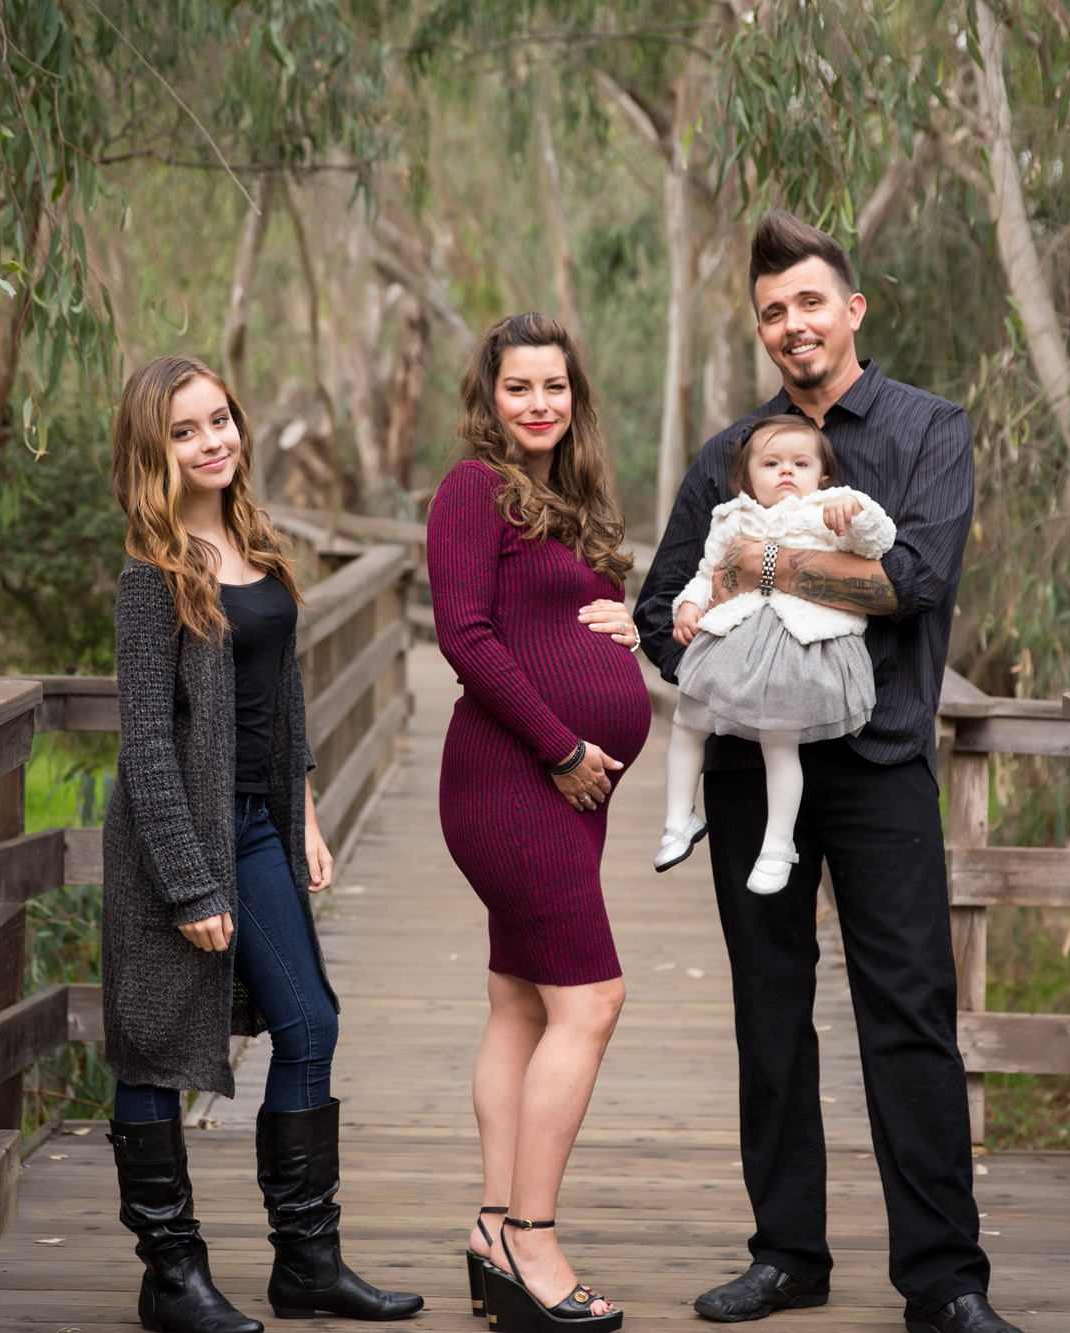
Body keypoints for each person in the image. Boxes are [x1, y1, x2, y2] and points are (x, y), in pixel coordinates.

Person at [634, 214, 1024, 1333]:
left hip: (880, 761)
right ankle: (786, 1255)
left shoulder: (925, 429)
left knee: (908, 1010)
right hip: (754, 775)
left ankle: (944, 1279)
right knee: (768, 1010)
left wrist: (766, 561)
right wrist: (718, 662)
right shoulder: (728, 453)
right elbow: (664, 605)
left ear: (850, 309)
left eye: (808, 302)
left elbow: (913, 580)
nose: (790, 324)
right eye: (770, 311)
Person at [102, 354, 423, 1333]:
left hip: (256, 826)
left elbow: (281, 695)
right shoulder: (151, 578)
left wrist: (307, 813)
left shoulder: (256, 546)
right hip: (176, 843)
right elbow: (148, 744)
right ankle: (171, 1275)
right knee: (154, 1046)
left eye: (220, 419)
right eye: (187, 431)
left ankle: (307, 1263)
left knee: (309, 1023)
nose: (213, 440)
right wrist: (190, 885)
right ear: (155, 454)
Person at [426, 313, 651, 1333]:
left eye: (553, 387)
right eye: (517, 387)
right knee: (589, 1000)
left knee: (521, 999)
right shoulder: (471, 490)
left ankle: (488, 1226)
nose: (537, 404)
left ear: (574, 397)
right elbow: (464, 634)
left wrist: (625, 625)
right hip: (515, 778)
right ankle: (532, 1237)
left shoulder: (567, 507)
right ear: (490, 398)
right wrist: (562, 745)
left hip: (563, 790)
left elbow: (554, 621)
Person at [656, 414, 895, 893]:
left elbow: (878, 542)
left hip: (797, 646)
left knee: (779, 742)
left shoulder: (830, 507)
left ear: (821, 476)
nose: (786, 472)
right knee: (687, 721)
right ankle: (678, 817)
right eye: (771, 463)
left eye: (800, 463)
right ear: (747, 478)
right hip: (734, 642)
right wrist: (689, 604)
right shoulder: (732, 516)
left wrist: (853, 512)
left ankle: (778, 843)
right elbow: (708, 571)